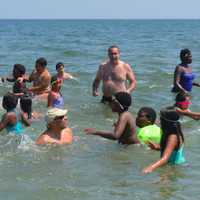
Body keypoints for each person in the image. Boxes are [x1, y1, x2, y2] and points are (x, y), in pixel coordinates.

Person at [142, 108, 185, 174]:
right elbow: (170, 149)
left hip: (173, 167)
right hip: (169, 164)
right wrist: (158, 147)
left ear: (167, 123)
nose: (159, 122)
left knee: (162, 183)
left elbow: (165, 158)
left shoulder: (173, 137)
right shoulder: (169, 132)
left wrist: (150, 167)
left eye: (161, 120)